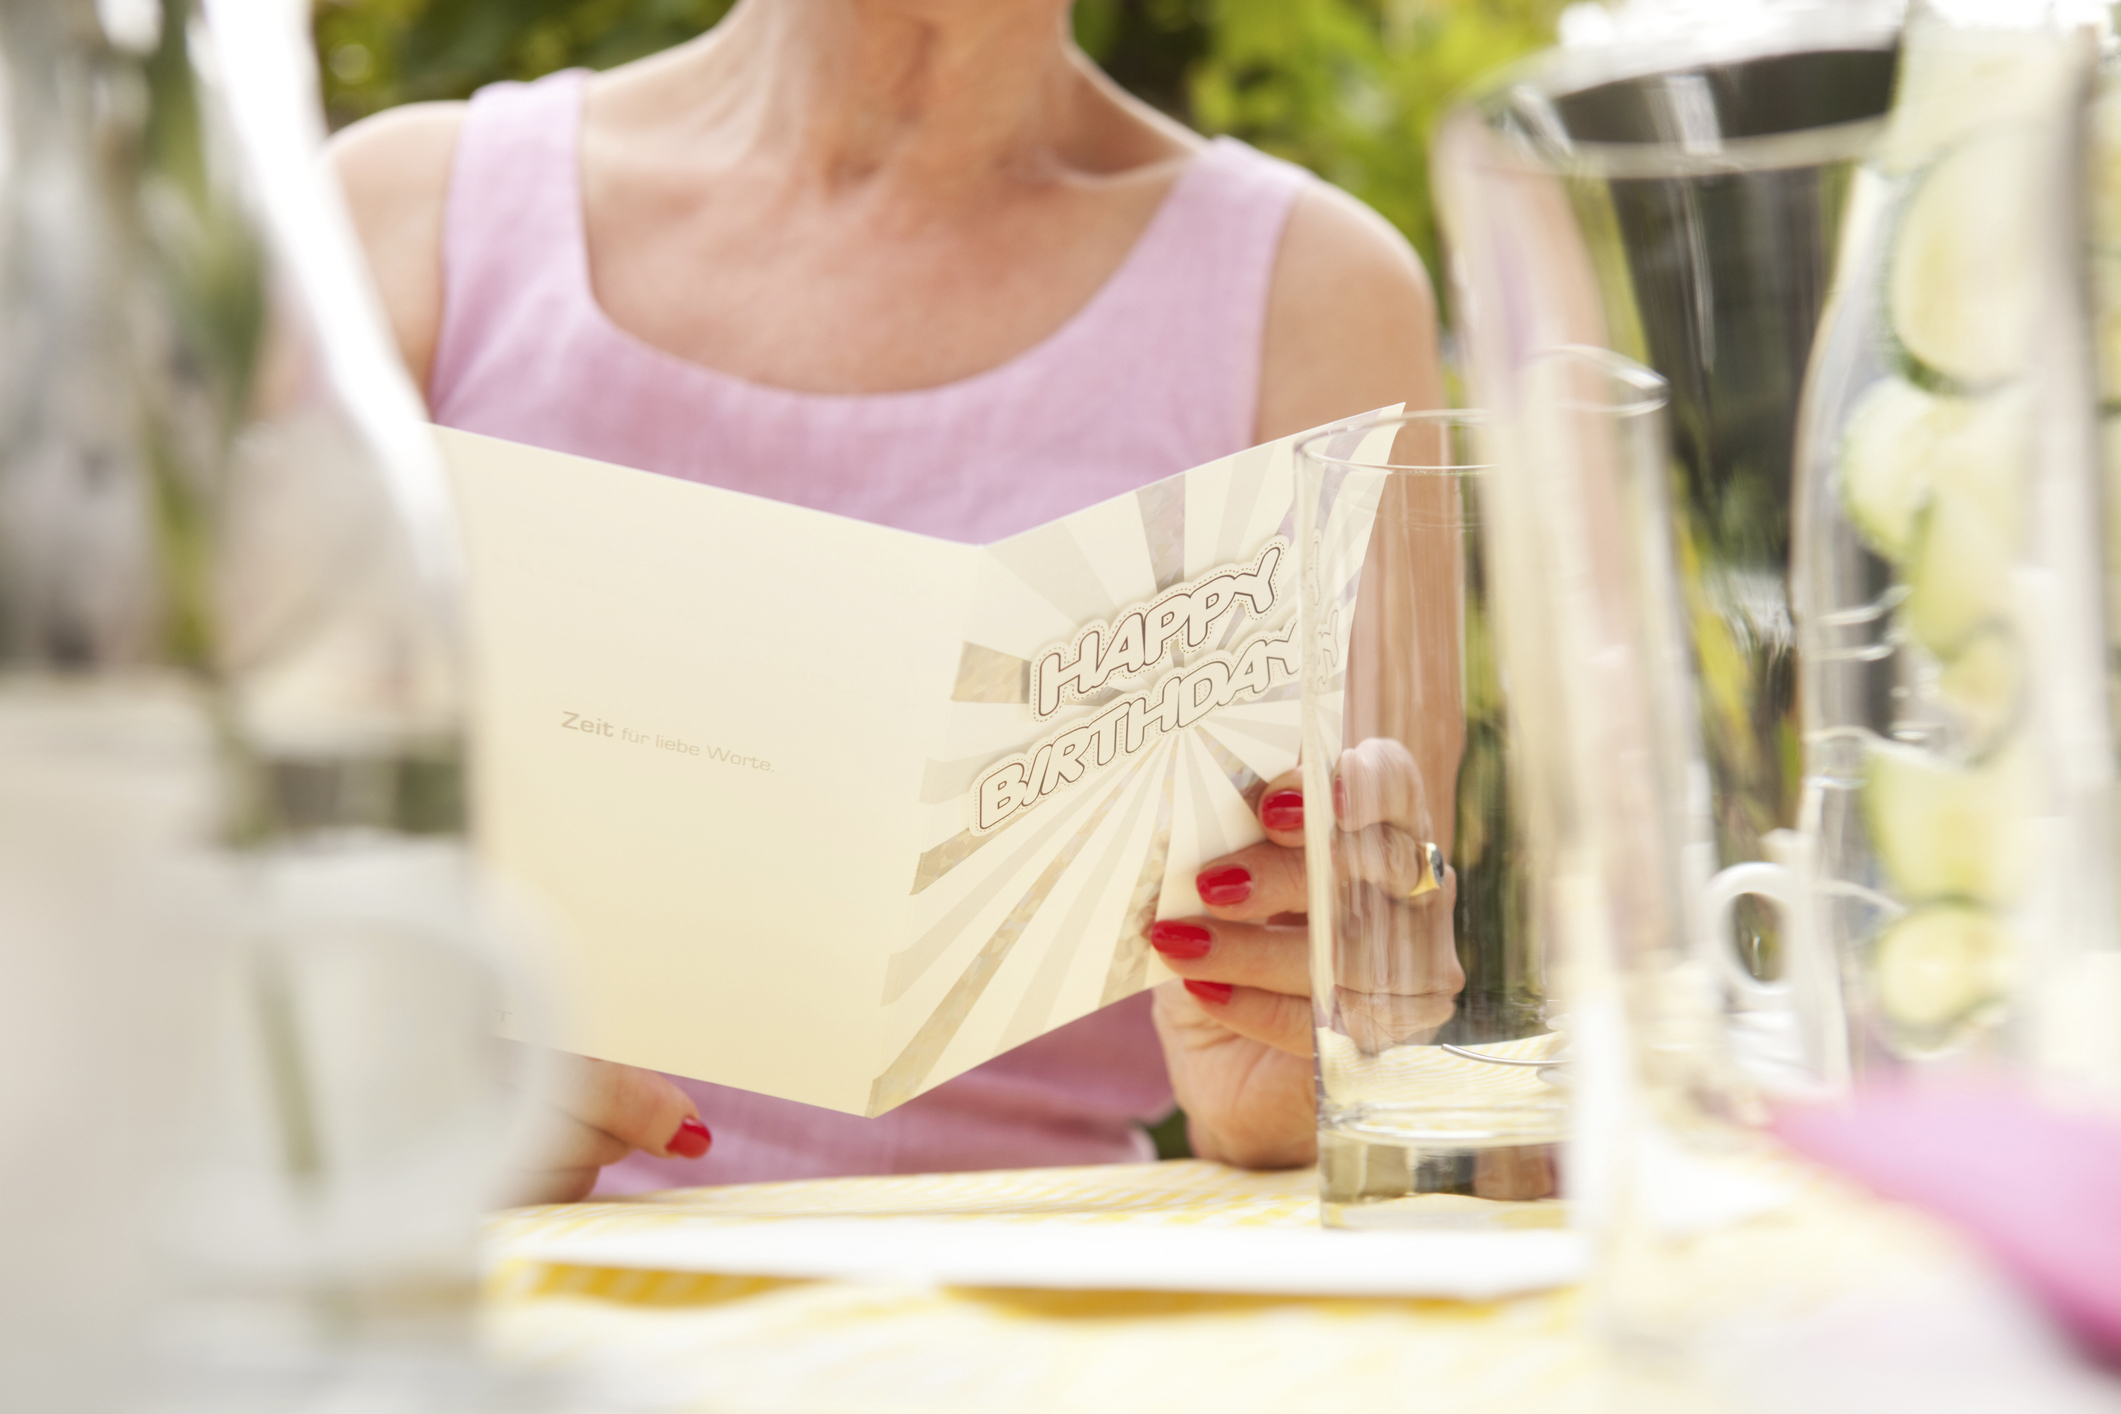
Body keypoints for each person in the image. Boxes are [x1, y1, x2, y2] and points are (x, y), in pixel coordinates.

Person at [332, 0, 1444, 1202]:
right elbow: (188, 902)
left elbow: (1351, 1000)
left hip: (1020, 1322)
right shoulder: (399, 217)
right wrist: (379, 1072)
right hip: (450, 1308)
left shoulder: (1316, 297)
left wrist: (1304, 1083)